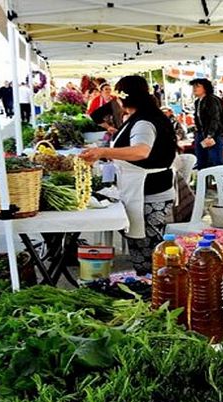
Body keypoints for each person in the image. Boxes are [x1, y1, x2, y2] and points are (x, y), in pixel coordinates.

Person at [80, 76, 177, 275]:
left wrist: (103, 152)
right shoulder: (141, 117)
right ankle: (150, 287)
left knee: (149, 249)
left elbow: (141, 151)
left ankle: (155, 290)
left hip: (150, 192)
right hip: (143, 189)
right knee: (144, 247)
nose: (116, 100)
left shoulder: (144, 122)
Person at [190, 78, 223, 169]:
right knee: (201, 161)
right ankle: (204, 181)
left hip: (214, 135)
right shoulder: (198, 102)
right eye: (193, 86)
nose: (194, 88)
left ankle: (219, 182)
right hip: (201, 134)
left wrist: (210, 135)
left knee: (216, 161)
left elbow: (215, 118)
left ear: (205, 88)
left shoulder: (211, 100)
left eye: (197, 86)